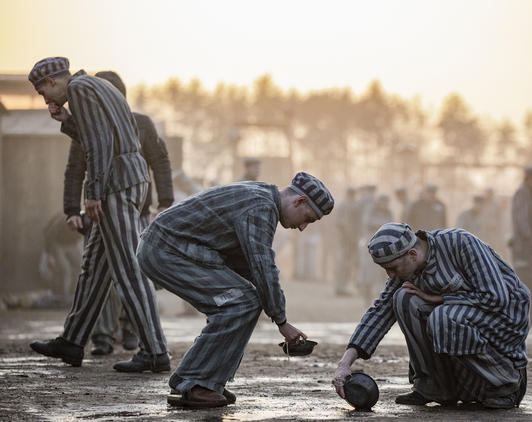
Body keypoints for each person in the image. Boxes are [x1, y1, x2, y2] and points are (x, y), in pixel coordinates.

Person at [137, 172, 334, 408]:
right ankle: (194, 383)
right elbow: (262, 267)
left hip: (173, 248)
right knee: (241, 303)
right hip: (167, 250)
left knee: (246, 300)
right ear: (299, 201)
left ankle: (210, 381)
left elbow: (250, 264)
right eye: (307, 219)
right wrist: (281, 321)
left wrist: (272, 306)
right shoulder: (262, 207)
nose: (302, 227)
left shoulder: (262, 195)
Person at [28, 57, 169, 372]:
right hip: (126, 179)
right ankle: (73, 340)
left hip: (116, 185)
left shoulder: (78, 89)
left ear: (53, 81)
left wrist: (92, 193)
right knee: (94, 267)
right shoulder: (96, 85)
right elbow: (102, 137)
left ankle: (155, 351)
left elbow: (99, 144)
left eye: (42, 92)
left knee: (129, 270)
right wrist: (67, 120)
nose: (46, 100)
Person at [333, 223, 530, 409]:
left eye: (392, 268)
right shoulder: (407, 269)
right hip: (467, 318)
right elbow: (380, 312)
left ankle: (504, 383)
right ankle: (434, 387)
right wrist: (345, 363)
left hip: (505, 320)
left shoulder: (461, 243)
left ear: (412, 254)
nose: (390, 275)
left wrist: (440, 298)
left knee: (444, 317)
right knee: (403, 298)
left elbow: (496, 298)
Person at [509, 165, 532, 324]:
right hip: (523, 248)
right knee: (525, 283)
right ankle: (522, 318)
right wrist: (531, 239)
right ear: (529, 178)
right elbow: (522, 221)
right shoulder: (521, 193)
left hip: (531, 248)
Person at [334, 187, 359, 296]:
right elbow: (345, 224)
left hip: (343, 237)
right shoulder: (346, 205)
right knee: (344, 263)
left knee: (344, 263)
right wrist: (352, 238)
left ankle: (341, 287)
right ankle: (341, 288)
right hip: (345, 238)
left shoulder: (343, 204)